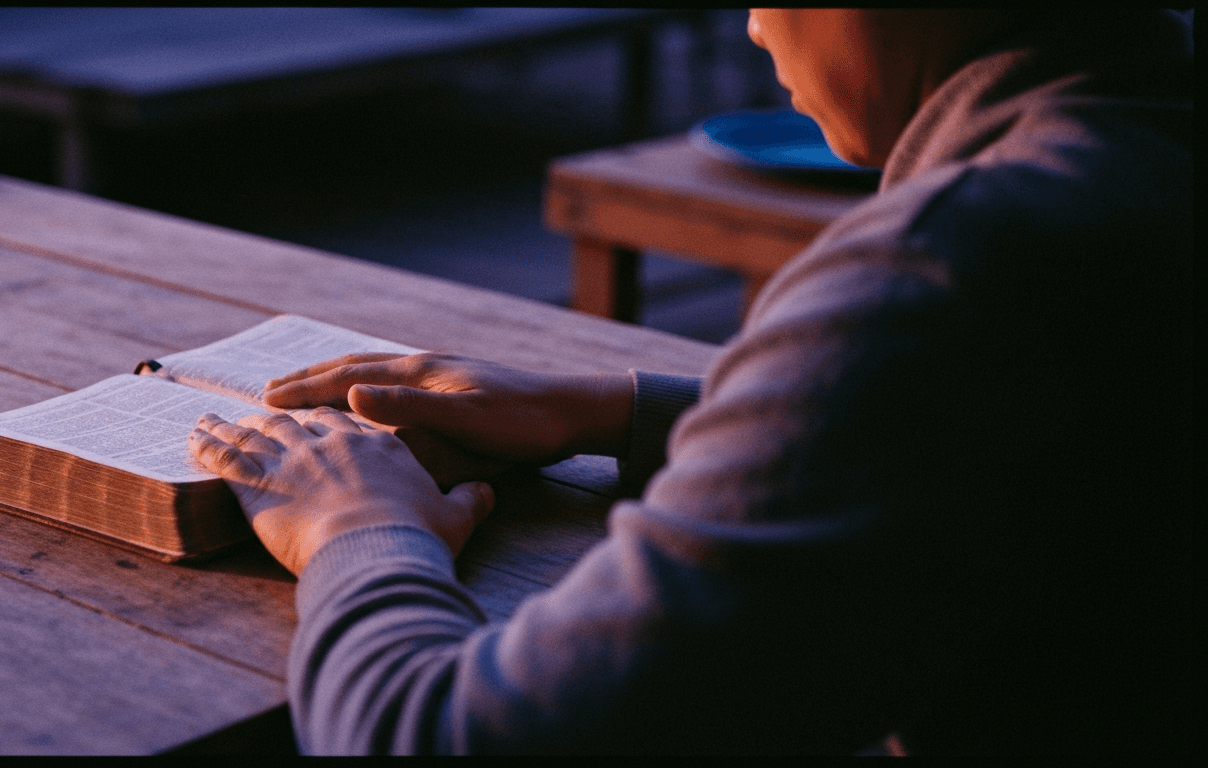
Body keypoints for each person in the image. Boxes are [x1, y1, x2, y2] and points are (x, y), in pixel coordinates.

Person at [187, 9, 1193, 754]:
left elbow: (427, 734)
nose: (754, 25)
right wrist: (612, 410)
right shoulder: (1137, 159)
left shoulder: (952, 264)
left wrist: (356, 529)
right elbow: (1026, 424)